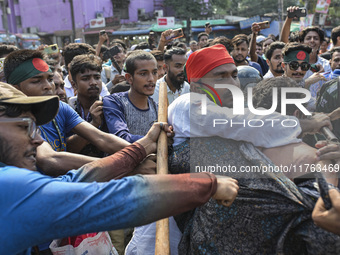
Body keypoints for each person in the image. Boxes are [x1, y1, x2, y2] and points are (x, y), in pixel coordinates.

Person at [0, 82, 239, 255]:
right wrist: (207, 184)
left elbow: (77, 180)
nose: (38, 140)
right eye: (25, 127)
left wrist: (143, 146)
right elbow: (113, 199)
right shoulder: (8, 186)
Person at [167, 44, 340, 254]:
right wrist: (304, 125)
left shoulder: (239, 113)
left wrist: (327, 166)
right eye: (220, 77)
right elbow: (239, 122)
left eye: (233, 75)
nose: (232, 83)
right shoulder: (186, 104)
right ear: (196, 86)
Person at [3, 49, 153, 176]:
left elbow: (102, 138)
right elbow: (49, 160)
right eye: (36, 81)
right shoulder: (14, 117)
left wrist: (141, 155)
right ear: (14, 88)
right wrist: (125, 166)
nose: (48, 86)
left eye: (49, 79)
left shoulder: (60, 107)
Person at [103, 50, 159, 143]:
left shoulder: (157, 108)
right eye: (143, 74)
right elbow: (121, 138)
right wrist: (155, 140)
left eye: (154, 72)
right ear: (129, 78)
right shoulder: (114, 102)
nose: (151, 79)